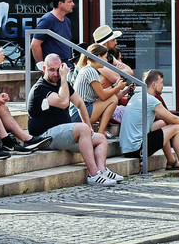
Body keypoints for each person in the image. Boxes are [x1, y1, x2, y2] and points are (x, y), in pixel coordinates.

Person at [28, 53, 117, 185]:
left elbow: (80, 104)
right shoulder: (40, 88)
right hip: (44, 136)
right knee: (82, 129)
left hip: (63, 134)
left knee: (100, 138)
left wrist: (90, 128)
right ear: (44, 69)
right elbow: (63, 102)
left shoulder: (63, 84)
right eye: (51, 70)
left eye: (58, 69)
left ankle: (102, 171)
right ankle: (93, 174)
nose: (56, 73)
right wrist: (64, 78)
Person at [119, 69, 179, 173]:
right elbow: (173, 118)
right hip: (137, 149)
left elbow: (165, 118)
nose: (163, 86)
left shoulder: (138, 96)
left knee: (163, 124)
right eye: (161, 83)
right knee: (176, 128)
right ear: (154, 84)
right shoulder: (151, 100)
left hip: (128, 148)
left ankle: (171, 161)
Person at [30, 0, 77, 66]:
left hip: (67, 64)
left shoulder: (67, 21)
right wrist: (42, 66)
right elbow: (35, 44)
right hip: (54, 68)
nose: (73, 4)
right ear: (60, 4)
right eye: (69, 2)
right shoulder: (47, 20)